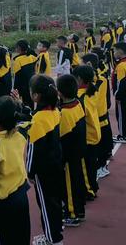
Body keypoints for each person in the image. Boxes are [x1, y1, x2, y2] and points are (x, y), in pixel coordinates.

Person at [0, 96, 31, 245]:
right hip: (21, 195)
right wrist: (20, 106)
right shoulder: (21, 132)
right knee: (22, 235)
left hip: (2, 203)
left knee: (1, 239)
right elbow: (29, 117)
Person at [27, 75, 63, 245]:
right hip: (56, 163)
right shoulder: (55, 111)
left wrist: (29, 172)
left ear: (36, 96)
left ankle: (53, 239)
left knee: (46, 205)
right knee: (54, 202)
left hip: (43, 170)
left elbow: (33, 150)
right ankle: (54, 231)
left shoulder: (38, 120)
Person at [56, 74, 87, 226]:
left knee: (69, 185)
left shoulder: (65, 113)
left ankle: (72, 213)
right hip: (79, 152)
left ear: (60, 92)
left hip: (68, 157)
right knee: (78, 181)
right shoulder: (78, 104)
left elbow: (61, 137)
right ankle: (79, 210)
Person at [82, 53, 113, 178]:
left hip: (99, 119)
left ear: (88, 65)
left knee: (101, 145)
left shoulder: (100, 80)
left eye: (81, 63)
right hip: (93, 118)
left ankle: (102, 167)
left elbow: (96, 102)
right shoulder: (91, 80)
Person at [72, 66, 101, 201]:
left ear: (80, 79)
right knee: (91, 165)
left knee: (85, 168)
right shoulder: (92, 91)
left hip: (87, 137)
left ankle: (89, 191)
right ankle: (92, 186)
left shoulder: (80, 97)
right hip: (94, 134)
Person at [13, 40, 37, 108]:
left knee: (25, 103)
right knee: (31, 101)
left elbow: (17, 76)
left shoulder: (17, 60)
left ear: (19, 48)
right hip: (32, 83)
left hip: (23, 86)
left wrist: (16, 89)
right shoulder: (31, 56)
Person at [112, 41, 126, 143]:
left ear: (120, 52)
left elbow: (120, 83)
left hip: (123, 95)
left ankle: (123, 135)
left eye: (115, 50)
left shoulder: (121, 65)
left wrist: (117, 96)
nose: (114, 53)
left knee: (121, 115)